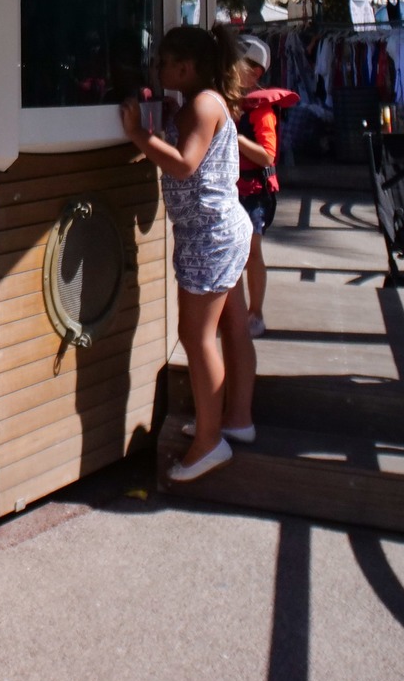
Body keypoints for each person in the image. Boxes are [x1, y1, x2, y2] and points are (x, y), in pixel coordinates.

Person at [121, 26, 256, 482]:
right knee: (233, 328)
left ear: (186, 67)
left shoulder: (201, 105)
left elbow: (184, 164)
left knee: (196, 337)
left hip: (209, 237)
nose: (157, 70)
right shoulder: (206, 101)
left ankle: (209, 442)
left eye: (163, 62)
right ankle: (235, 420)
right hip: (221, 229)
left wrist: (139, 134)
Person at [233, 36, 297, 339]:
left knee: (252, 249)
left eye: (238, 63)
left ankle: (255, 312)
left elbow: (268, 155)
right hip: (232, 187)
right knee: (233, 251)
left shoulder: (261, 110)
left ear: (255, 72)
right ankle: (233, 312)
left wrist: (234, 138)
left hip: (255, 192)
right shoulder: (228, 101)